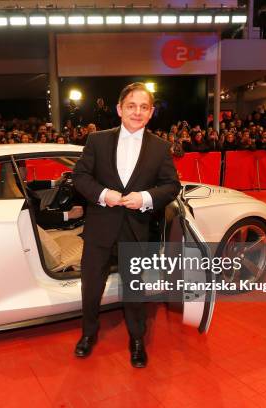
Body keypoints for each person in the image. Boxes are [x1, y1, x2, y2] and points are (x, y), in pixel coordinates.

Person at [72, 83, 181, 368]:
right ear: (120, 109)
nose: (137, 112)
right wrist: (102, 194)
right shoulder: (97, 140)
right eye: (131, 106)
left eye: (144, 107)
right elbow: (80, 176)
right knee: (91, 286)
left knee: (134, 289)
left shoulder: (160, 147)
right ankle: (88, 334)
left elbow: (171, 186)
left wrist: (145, 197)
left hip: (136, 228)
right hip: (100, 227)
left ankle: (136, 339)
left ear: (151, 112)